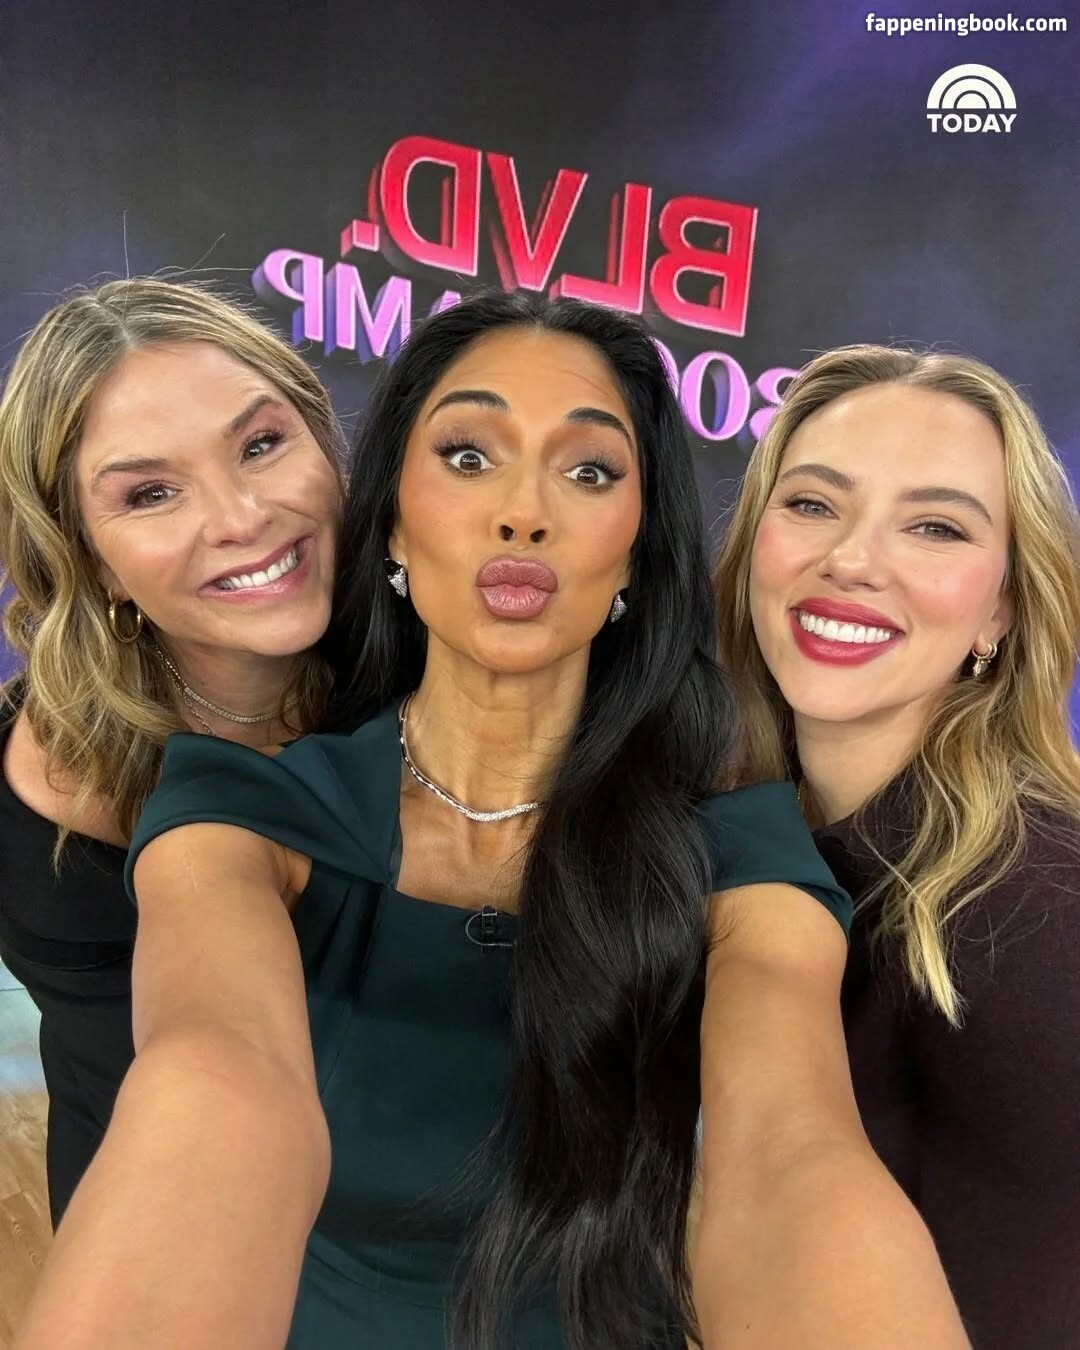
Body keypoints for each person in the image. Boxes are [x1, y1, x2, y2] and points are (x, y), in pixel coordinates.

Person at [17, 296, 966, 1350]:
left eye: (590, 471)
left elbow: (788, 1161)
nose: (524, 511)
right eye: (469, 457)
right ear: (390, 520)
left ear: (636, 549)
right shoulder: (238, 810)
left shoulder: (736, 850)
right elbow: (218, 1083)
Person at [713, 343, 1080, 1349]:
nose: (853, 560)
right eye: (813, 504)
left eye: (934, 527)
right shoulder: (743, 825)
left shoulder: (1039, 913)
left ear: (1000, 609)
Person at [0, 277, 343, 1224]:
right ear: (89, 556)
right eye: (151, 493)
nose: (239, 517)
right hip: (132, 1214)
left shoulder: (449, 693)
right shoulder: (33, 765)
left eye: (261, 444)